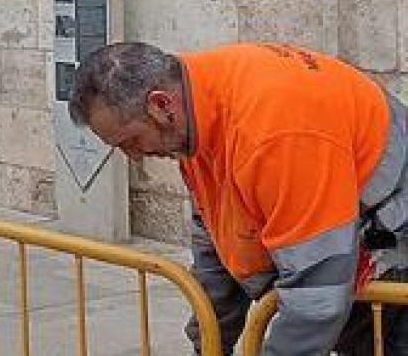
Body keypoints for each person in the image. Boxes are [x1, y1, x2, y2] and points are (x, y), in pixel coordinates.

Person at [71, 42, 408, 356]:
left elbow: (317, 291)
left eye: (130, 141)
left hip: (394, 247)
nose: (135, 157)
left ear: (160, 105)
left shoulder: (273, 131)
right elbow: (217, 238)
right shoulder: (194, 112)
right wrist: (209, 343)